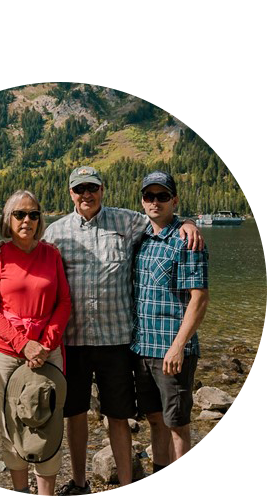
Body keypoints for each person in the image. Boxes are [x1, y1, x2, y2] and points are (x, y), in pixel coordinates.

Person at [42, 166, 204, 496]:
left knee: (118, 417)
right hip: (72, 342)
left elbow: (163, 220)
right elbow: (31, 256)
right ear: (70, 193)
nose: (86, 194)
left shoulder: (127, 221)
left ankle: (128, 490)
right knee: (75, 414)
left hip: (116, 342)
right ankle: (79, 482)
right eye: (79, 189)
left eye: (93, 188)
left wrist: (189, 222)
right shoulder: (55, 233)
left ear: (103, 190)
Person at [0, 190, 71, 496]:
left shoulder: (51, 254)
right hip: (6, 355)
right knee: (11, 429)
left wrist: (45, 344)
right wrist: (23, 344)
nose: (27, 220)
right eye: (20, 214)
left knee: (49, 424)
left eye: (33, 214)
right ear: (8, 219)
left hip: (48, 354)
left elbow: (63, 304)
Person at [130, 171, 209, 496]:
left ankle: (174, 492)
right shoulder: (139, 237)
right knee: (155, 421)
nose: (155, 202)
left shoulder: (188, 241)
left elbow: (200, 298)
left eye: (163, 196)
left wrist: (179, 346)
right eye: (150, 196)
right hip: (141, 349)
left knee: (177, 425)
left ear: (174, 200)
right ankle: (158, 487)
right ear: (142, 201)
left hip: (172, 352)